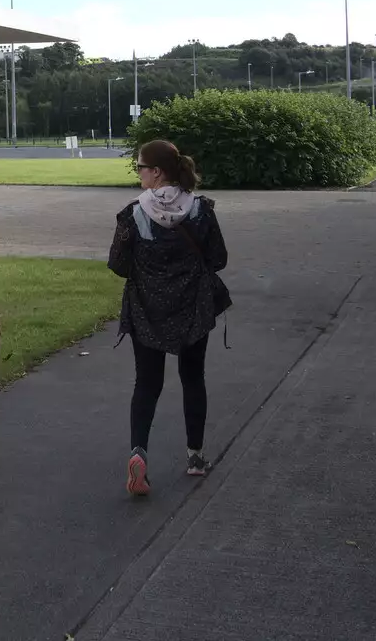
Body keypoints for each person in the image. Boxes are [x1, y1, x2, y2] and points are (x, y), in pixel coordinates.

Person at [108, 139, 231, 495]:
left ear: (156, 172)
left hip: (147, 309)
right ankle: (195, 456)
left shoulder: (133, 213)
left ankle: (138, 455)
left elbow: (117, 263)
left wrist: (147, 271)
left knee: (146, 384)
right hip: (193, 307)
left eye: (140, 168)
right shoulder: (201, 210)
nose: (139, 174)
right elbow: (218, 258)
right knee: (193, 378)